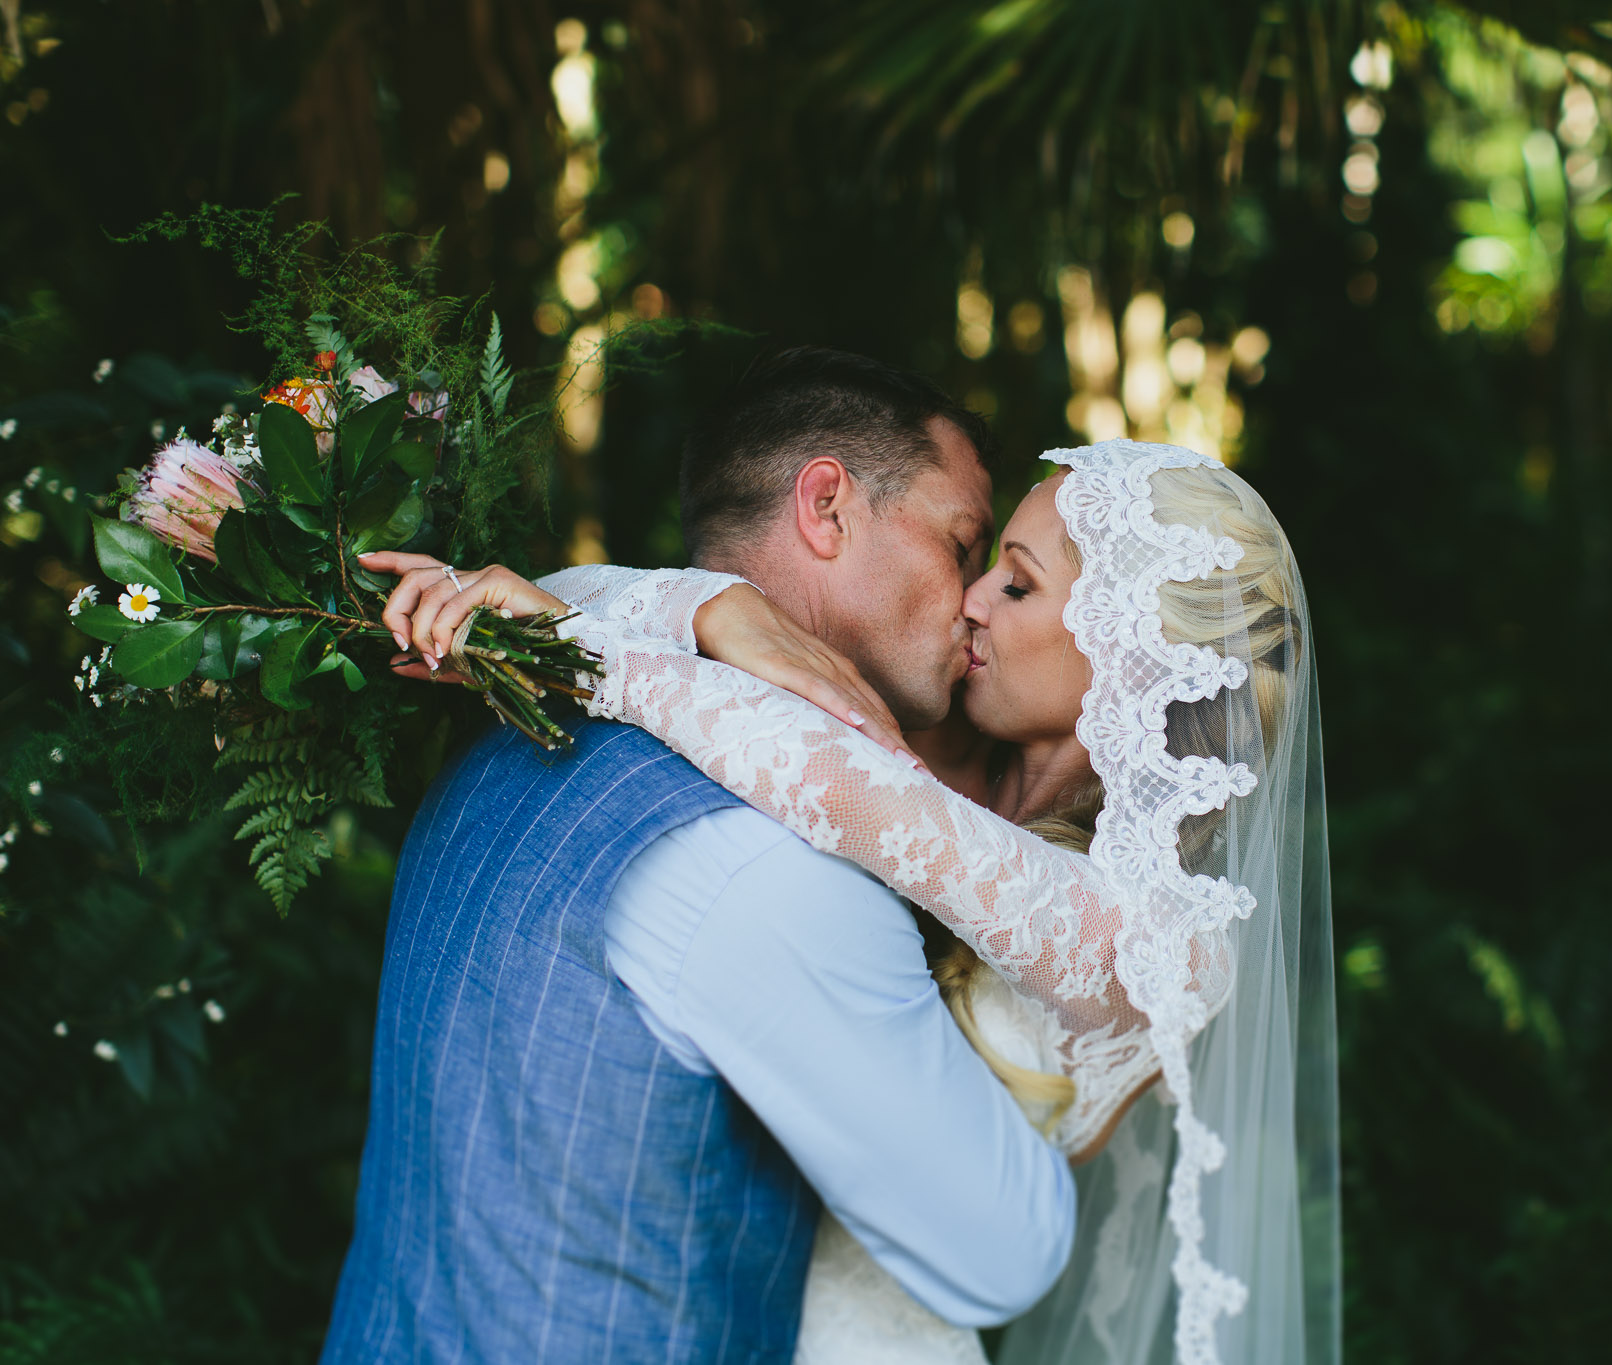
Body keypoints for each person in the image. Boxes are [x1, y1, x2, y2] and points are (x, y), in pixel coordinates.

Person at [379, 431, 1341, 1364]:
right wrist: (709, 608)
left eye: (1016, 583)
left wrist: (582, 643)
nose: (971, 600)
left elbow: (846, 786)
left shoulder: (1170, 944)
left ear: (1130, 653)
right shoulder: (952, 756)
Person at [321, 349, 1076, 1365]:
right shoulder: (765, 859)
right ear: (826, 508)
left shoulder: (504, 727)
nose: (975, 598)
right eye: (961, 543)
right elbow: (1005, 1250)